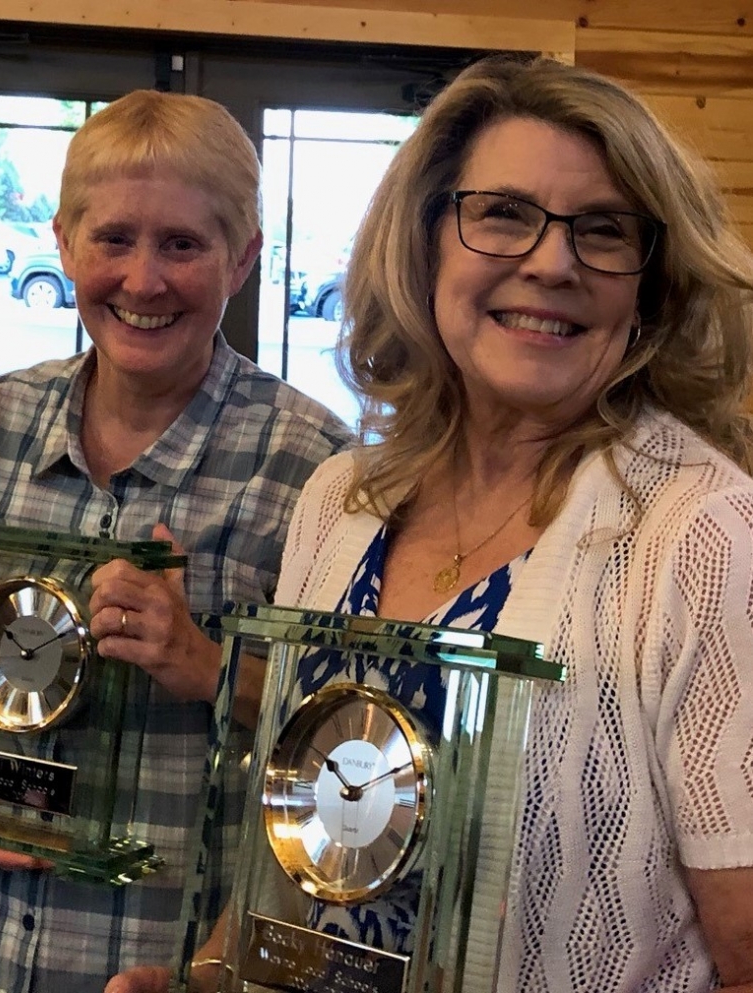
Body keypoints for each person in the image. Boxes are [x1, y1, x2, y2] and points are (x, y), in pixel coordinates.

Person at [167, 56, 753, 993]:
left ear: (652, 282)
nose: (553, 262)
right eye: (505, 213)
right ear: (427, 238)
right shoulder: (342, 501)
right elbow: (314, 843)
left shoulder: (703, 537)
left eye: (603, 230)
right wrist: (207, 974)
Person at [0, 88, 351, 993]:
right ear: (64, 243)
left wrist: (202, 660)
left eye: (183, 245)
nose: (144, 279)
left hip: (171, 966)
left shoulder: (315, 467)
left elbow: (351, 749)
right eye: (114, 239)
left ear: (243, 259)